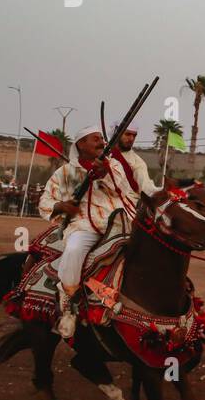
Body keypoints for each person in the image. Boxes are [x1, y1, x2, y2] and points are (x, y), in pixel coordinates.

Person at [38, 126, 135, 339]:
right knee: (73, 250)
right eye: (95, 139)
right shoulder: (64, 173)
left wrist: (104, 171)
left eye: (102, 138)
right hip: (85, 227)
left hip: (120, 223)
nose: (101, 142)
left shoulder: (114, 164)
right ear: (81, 144)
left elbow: (123, 189)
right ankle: (68, 305)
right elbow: (45, 201)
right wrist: (62, 206)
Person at [110, 123, 160, 197]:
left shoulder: (137, 162)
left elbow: (146, 189)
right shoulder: (101, 153)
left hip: (125, 201)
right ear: (116, 133)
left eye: (134, 135)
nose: (131, 139)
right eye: (128, 134)